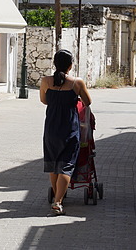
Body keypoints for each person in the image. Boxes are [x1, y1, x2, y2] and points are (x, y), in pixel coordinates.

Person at [40, 49, 91, 215]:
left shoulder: (46, 81)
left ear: (55, 64)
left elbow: (44, 100)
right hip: (69, 128)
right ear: (70, 66)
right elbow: (88, 101)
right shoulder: (77, 82)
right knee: (66, 165)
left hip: (51, 128)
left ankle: (57, 198)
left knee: (54, 165)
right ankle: (57, 201)